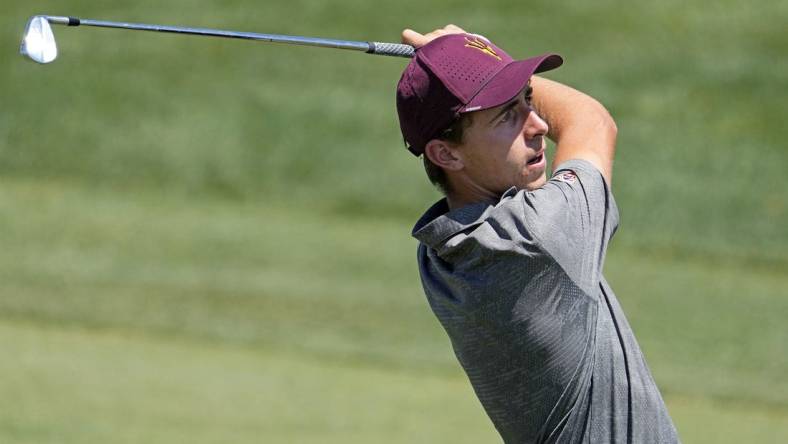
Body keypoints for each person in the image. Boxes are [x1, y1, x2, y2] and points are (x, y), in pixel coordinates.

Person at [396, 25, 680, 443]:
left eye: (527, 101)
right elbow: (592, 121)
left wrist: (474, 63)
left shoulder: (440, 253)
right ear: (446, 153)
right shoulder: (537, 236)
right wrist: (492, 62)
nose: (539, 124)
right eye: (506, 115)